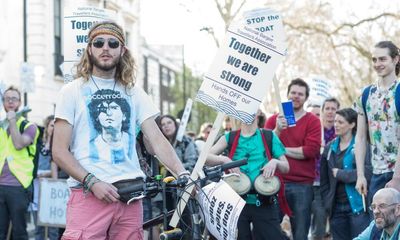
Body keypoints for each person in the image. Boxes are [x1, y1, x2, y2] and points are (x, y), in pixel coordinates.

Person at [52, 21, 188, 240]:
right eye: (99, 42)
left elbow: (157, 139)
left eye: (113, 43)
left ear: (122, 50)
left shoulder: (134, 92)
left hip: (130, 198)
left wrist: (182, 173)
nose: (105, 48)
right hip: (88, 195)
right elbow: (59, 150)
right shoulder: (71, 91)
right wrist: (91, 181)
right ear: (90, 49)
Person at [207, 111, 289, 239]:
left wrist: (275, 162)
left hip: (264, 201)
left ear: (258, 113)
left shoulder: (269, 136)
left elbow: (286, 167)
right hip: (236, 203)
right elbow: (205, 157)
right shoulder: (229, 137)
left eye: (251, 109)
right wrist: (226, 160)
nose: (248, 112)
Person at [265, 78, 322, 240]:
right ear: (287, 94)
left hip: (301, 185)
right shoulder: (274, 120)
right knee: (269, 230)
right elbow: (264, 149)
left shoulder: (313, 121)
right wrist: (277, 130)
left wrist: (280, 149)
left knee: (300, 233)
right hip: (274, 183)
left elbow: (310, 151)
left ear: (306, 97)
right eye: (293, 93)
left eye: (300, 94)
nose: (296, 96)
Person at [355, 41, 400, 210]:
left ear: (395, 60)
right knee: (377, 227)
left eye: (382, 59)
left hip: (397, 172)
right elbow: (359, 138)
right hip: (377, 173)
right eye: (374, 60)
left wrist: (397, 177)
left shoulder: (399, 91)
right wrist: (360, 175)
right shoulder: (366, 94)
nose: (377, 64)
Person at [320, 108, 371, 239]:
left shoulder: (362, 146)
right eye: (335, 121)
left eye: (341, 122)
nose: (336, 125)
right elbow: (324, 179)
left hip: (357, 206)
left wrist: (342, 174)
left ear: (352, 124)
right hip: (335, 208)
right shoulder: (329, 148)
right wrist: (327, 202)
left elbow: (369, 171)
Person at [0, 86, 39, 240]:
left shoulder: (29, 126)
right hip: (1, 186)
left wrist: (12, 121)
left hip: (19, 186)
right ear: (3, 102)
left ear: (20, 102)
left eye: (14, 98)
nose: (10, 101)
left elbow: (18, 144)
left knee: (19, 232)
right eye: (6, 98)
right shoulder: (1, 127)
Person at [311, 97, 340, 240]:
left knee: (336, 224)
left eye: (333, 109)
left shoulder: (341, 131)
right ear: (322, 111)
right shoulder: (316, 130)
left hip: (337, 183)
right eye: (327, 109)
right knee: (319, 221)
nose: (330, 112)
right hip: (318, 182)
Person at [31, 115, 59, 240]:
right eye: (52, 125)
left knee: (53, 224)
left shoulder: (60, 144)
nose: (54, 128)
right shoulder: (38, 142)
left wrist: (47, 174)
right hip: (36, 183)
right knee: (38, 223)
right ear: (47, 126)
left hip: (52, 183)